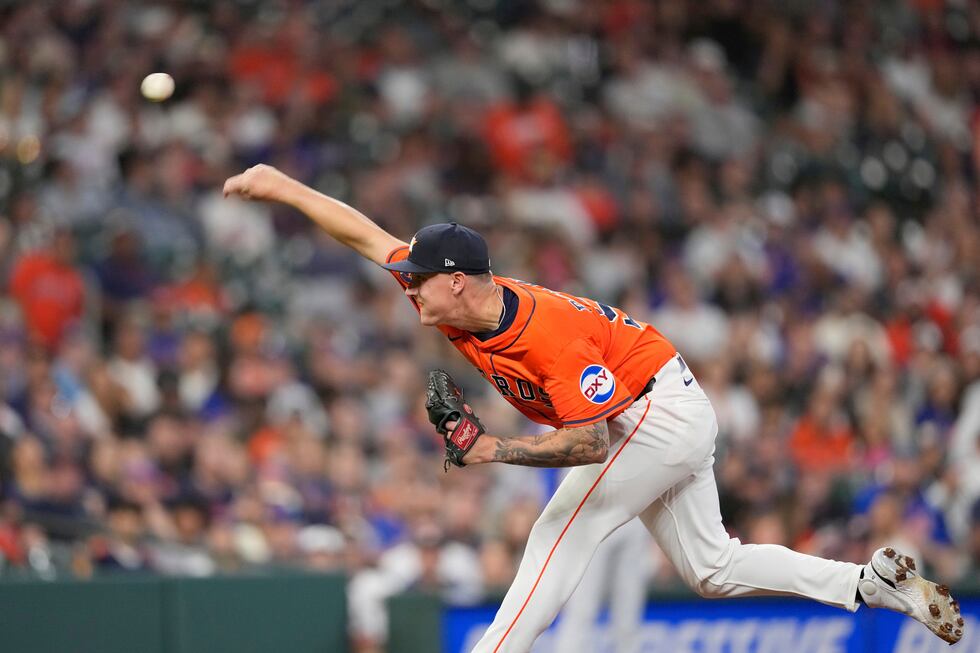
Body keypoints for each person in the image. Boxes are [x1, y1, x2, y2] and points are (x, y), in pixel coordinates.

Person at [222, 164, 964, 651]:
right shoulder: (453, 303)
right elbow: (364, 233)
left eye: (422, 277)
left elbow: (588, 441)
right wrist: (281, 186)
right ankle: (867, 584)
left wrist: (497, 450)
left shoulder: (545, 334)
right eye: (410, 275)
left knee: (558, 528)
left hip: (652, 413)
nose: (408, 285)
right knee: (711, 567)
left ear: (460, 279)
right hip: (660, 403)